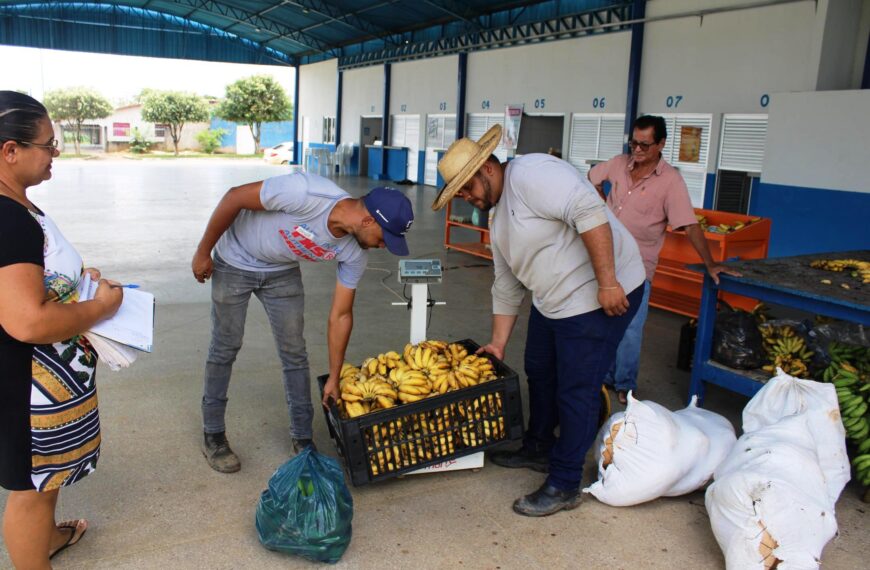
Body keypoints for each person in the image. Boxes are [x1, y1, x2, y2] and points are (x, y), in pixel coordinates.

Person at [432, 125, 646, 517]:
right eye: (459, 192)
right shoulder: (497, 218)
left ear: (488, 168)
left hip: (602, 294)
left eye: (467, 187)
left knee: (576, 388)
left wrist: (608, 282)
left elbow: (589, 212)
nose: (466, 197)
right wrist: (498, 343)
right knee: (539, 370)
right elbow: (506, 283)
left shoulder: (532, 174)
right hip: (553, 301)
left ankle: (565, 482)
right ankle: (538, 446)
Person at [192, 174, 413, 473]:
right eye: (385, 238)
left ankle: (302, 438)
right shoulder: (306, 193)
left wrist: (334, 376)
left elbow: (341, 315)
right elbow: (234, 196)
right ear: (368, 221)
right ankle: (214, 434)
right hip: (235, 260)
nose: (384, 246)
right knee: (225, 347)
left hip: (281, 272)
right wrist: (203, 251)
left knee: (294, 352)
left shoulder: (355, 253)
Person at [0, 91, 123, 567]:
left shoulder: (17, 206)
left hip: (40, 381)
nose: (56, 152)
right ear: (11, 150)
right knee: (32, 489)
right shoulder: (8, 219)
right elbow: (28, 320)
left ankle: (47, 538)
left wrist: (73, 282)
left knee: (45, 479)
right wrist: (100, 308)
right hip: (25, 384)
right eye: (48, 144)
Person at [588, 115, 740, 404]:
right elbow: (591, 178)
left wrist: (710, 262)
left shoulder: (671, 181)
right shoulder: (618, 164)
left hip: (637, 265)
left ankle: (624, 384)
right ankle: (603, 378)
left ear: (660, 144)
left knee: (630, 328)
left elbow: (689, 224)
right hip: (604, 258)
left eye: (645, 145)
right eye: (634, 143)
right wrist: (600, 202)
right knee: (600, 320)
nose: (637, 150)